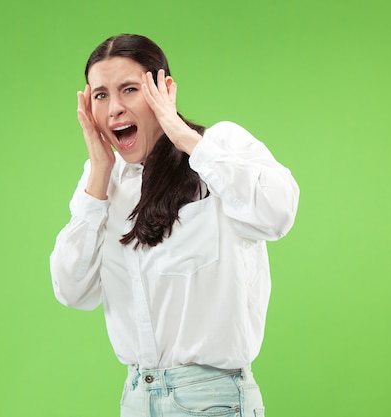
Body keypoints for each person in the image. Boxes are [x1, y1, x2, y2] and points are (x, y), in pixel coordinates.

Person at [50, 33, 299, 417]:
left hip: (213, 400)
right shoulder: (103, 183)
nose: (114, 108)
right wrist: (99, 173)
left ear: (164, 89)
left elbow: (278, 212)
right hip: (135, 397)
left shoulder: (219, 146)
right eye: (100, 95)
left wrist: (184, 137)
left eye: (129, 89)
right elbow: (72, 290)